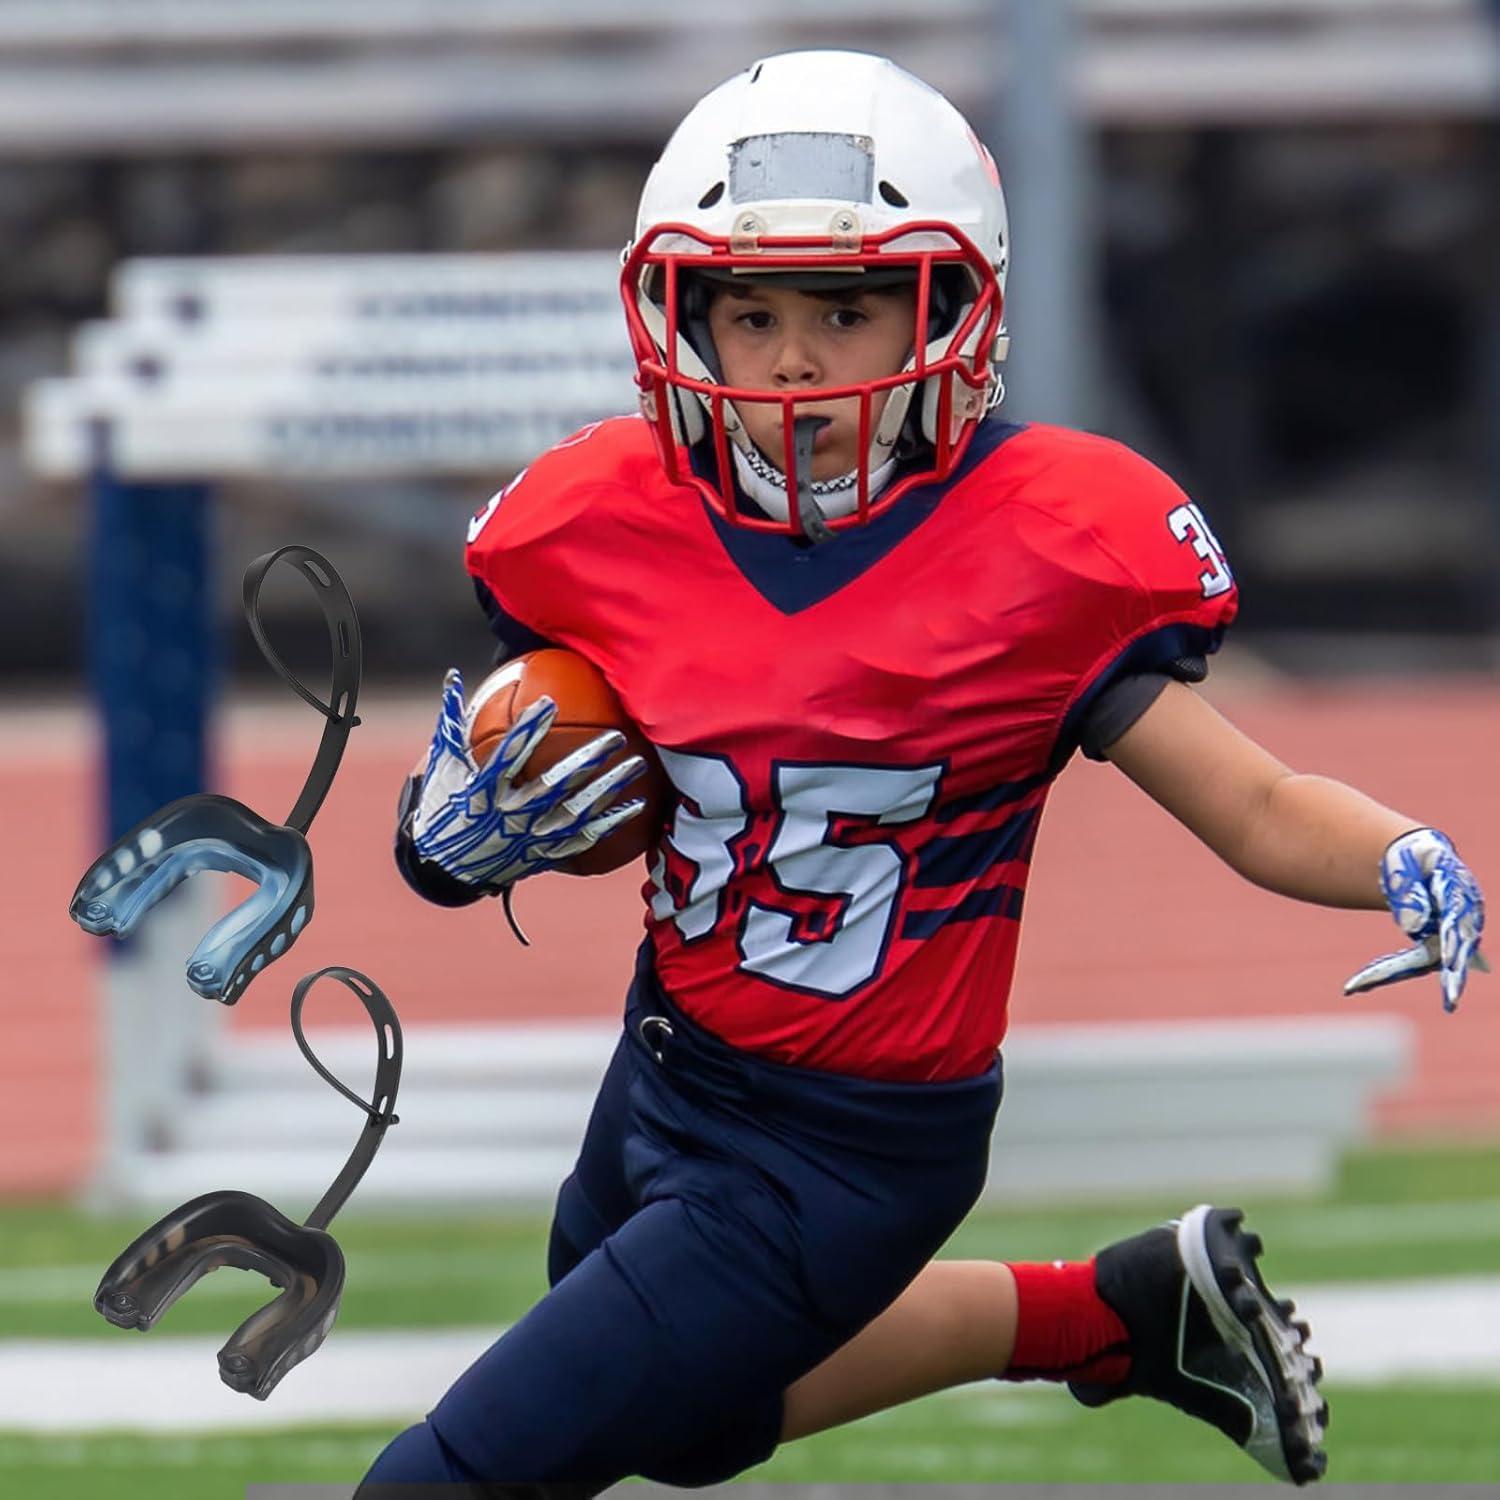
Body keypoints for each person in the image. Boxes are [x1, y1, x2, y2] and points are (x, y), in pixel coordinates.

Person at [358, 50, 1485, 1497]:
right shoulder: (604, 520)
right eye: (750, 311)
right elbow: (615, 802)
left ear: (949, 305)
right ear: (678, 314)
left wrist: (1399, 852)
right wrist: (451, 843)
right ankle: (1120, 1315)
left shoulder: (1048, 543)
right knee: (690, 1432)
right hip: (664, 1072)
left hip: (845, 1156)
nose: (792, 358)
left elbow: (1254, 803)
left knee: (444, 1477)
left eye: (846, 306)